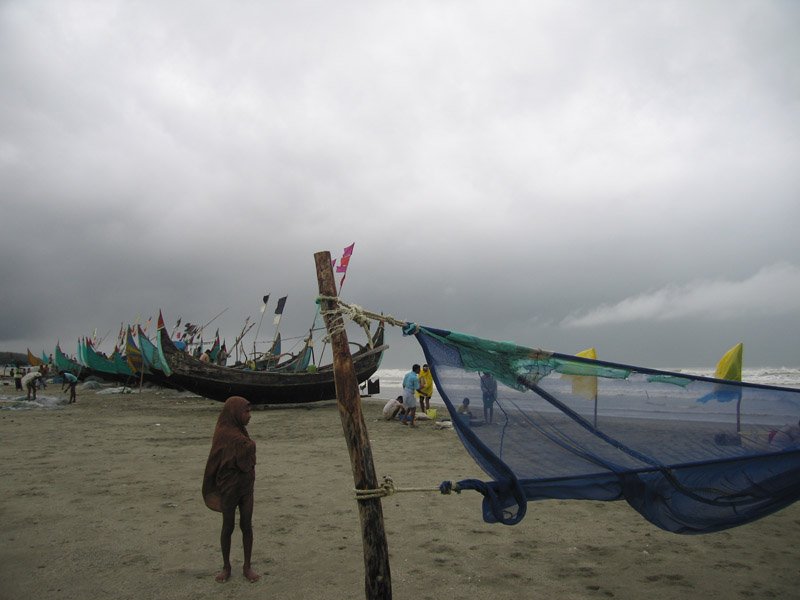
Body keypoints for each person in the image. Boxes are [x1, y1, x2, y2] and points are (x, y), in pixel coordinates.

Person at [202, 396, 260, 583]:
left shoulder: (240, 431)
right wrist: (250, 446)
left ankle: (247, 565)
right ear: (235, 413)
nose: (249, 416)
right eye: (246, 411)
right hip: (229, 487)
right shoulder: (225, 433)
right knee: (228, 526)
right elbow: (221, 458)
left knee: (246, 524)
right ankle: (226, 566)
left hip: (245, 486)